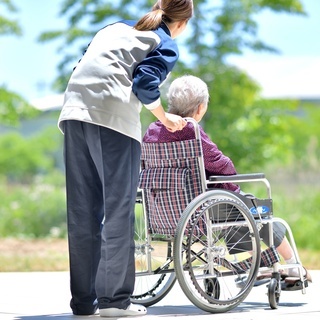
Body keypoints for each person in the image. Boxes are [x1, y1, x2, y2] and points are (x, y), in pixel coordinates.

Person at [57, 1, 193, 317]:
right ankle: (115, 302)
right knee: (118, 209)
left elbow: (84, 63)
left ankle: (83, 302)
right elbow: (145, 83)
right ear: (182, 24)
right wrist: (165, 118)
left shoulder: (114, 28)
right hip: (113, 117)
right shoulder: (164, 41)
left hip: (74, 109)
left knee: (82, 211)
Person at [143, 74, 312, 282]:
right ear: (200, 108)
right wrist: (232, 186)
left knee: (233, 205)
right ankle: (292, 263)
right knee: (251, 206)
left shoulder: (152, 130)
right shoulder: (190, 129)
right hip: (200, 211)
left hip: (163, 212)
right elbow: (223, 165)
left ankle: (257, 265)